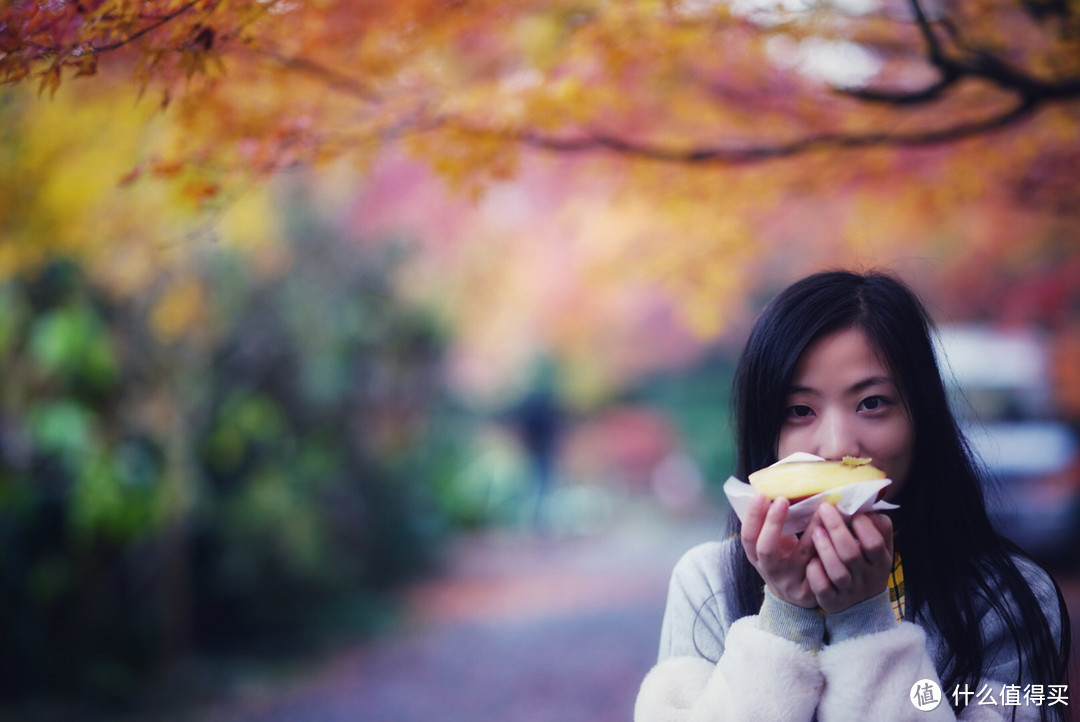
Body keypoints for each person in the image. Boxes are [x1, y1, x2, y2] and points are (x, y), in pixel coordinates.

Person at [635, 270, 1071, 721]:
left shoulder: (1008, 600)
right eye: (800, 411)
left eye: (872, 403)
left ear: (922, 418)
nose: (839, 445)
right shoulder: (711, 585)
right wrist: (786, 616)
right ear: (767, 436)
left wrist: (865, 623)